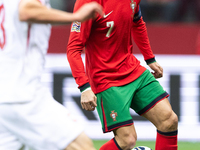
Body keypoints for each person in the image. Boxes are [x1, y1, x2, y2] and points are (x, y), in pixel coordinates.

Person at [67, 0, 178, 150]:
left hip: (132, 69)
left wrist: (149, 58)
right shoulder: (88, 2)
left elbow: (137, 22)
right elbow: (73, 49)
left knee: (169, 120)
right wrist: (84, 87)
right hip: (106, 79)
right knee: (127, 140)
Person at [0, 0, 103, 150]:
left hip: (6, 94)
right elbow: (26, 11)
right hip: (22, 96)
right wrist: (76, 16)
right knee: (82, 146)